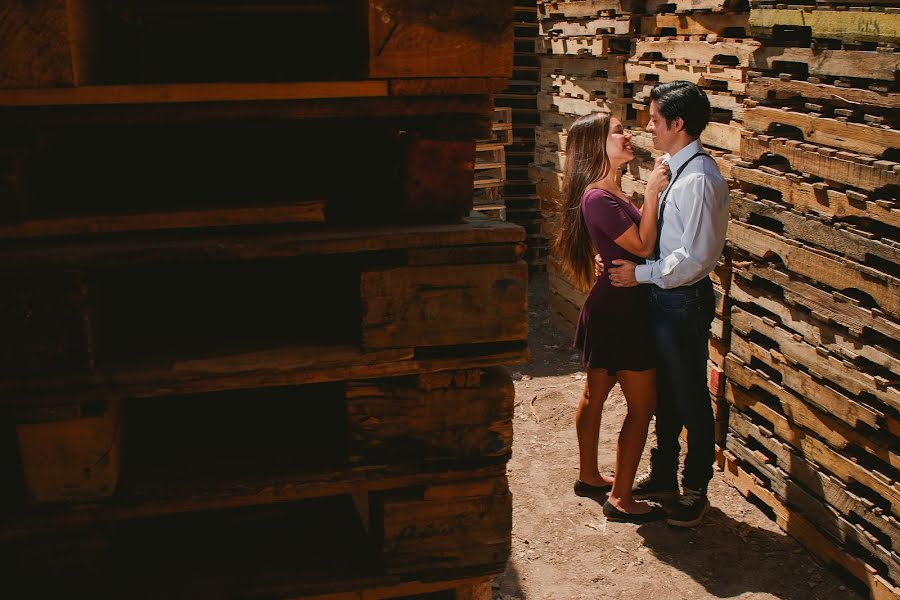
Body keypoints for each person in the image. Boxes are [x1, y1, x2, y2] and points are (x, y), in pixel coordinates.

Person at [607, 81, 730, 527]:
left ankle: (695, 486)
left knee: (691, 395)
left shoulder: (698, 178)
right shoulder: (674, 168)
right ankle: (663, 474)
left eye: (656, 120)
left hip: (682, 301)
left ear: (678, 124)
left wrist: (637, 275)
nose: (649, 127)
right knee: (665, 394)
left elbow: (693, 259)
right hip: (665, 298)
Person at [555, 111, 672, 523]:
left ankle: (589, 477)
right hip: (621, 311)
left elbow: (619, 244)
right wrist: (655, 192)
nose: (628, 136)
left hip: (614, 305)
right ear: (596, 144)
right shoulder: (599, 196)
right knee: (643, 404)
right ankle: (621, 499)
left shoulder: (613, 193)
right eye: (618, 131)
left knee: (597, 394)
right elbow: (642, 246)